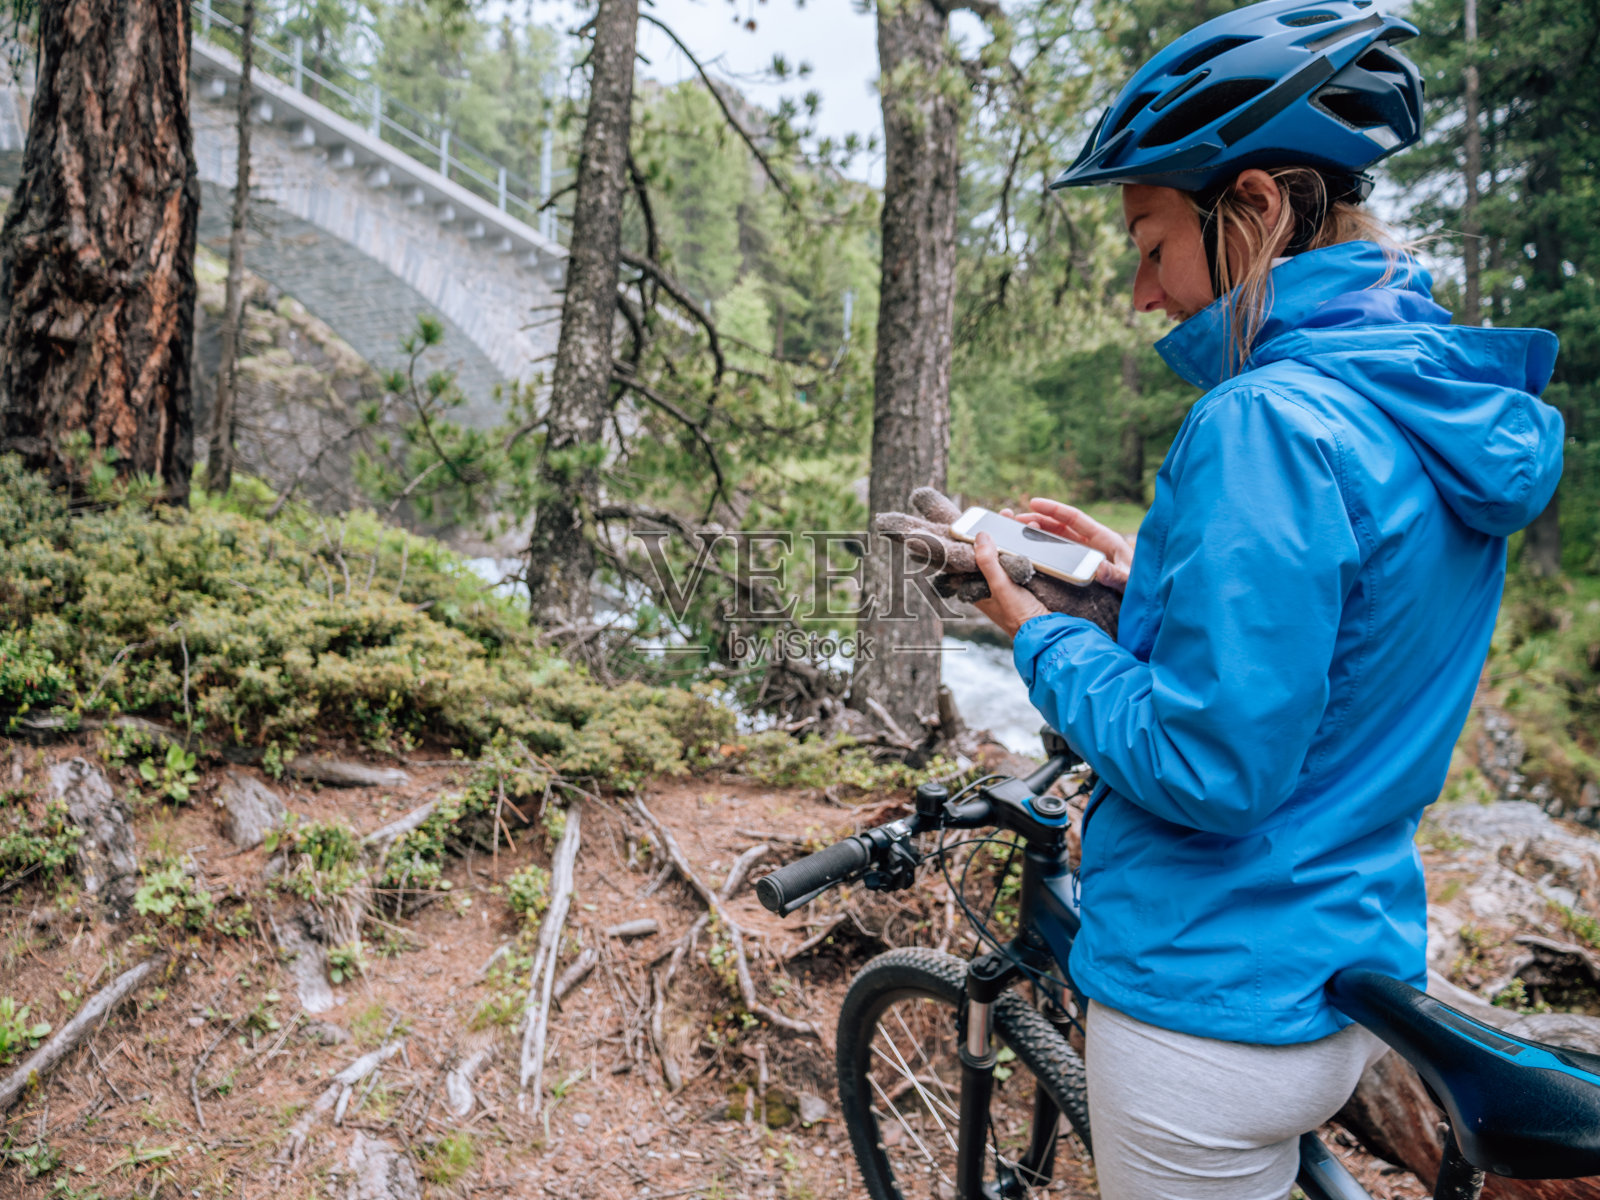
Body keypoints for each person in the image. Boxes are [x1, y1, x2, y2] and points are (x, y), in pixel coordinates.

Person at [966, 2, 1566, 1197]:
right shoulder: (1417, 401)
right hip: (1342, 964)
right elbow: (1360, 632)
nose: (1143, 291)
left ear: (1251, 208)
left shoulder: (1263, 424)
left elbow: (1211, 768)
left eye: (1150, 241)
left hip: (1203, 1001)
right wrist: (1157, 583)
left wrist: (1036, 636)